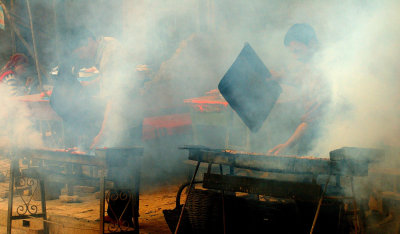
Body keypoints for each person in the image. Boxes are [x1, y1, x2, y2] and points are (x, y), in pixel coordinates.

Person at [264, 23, 330, 156]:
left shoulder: (323, 71)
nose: (295, 57)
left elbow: (311, 120)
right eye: (292, 52)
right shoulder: (316, 62)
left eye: (297, 51)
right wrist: (280, 76)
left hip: (326, 140)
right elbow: (300, 77)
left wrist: (287, 145)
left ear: (312, 44)